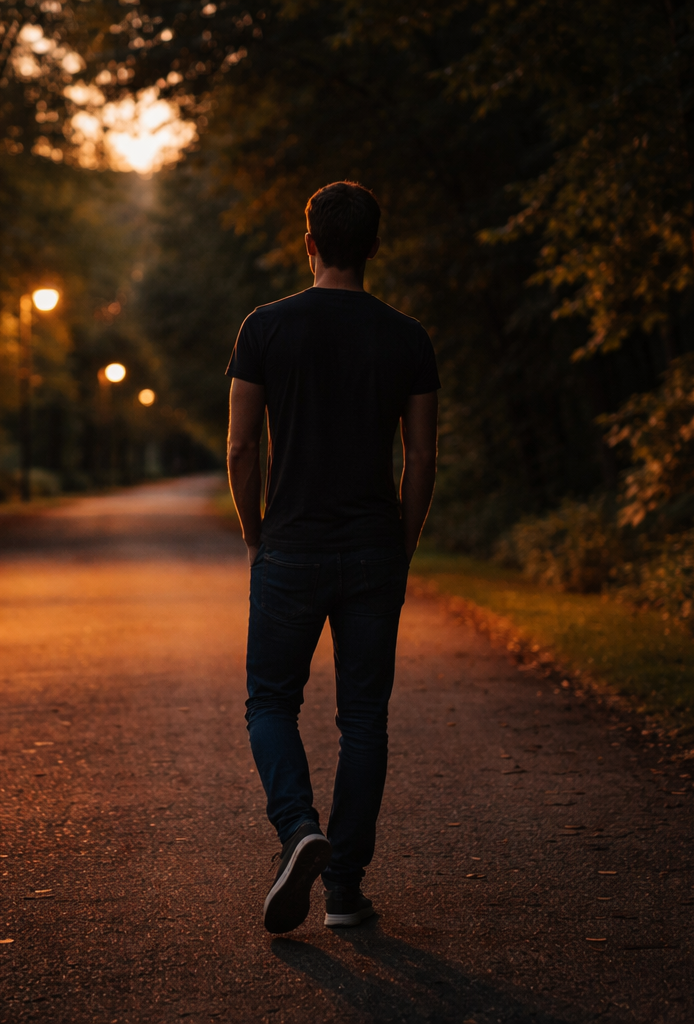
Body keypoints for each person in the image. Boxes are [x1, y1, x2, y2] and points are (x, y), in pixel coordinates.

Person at [225, 181, 439, 934]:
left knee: (270, 703)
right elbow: (421, 457)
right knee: (364, 721)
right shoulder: (408, 337)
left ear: (309, 244)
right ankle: (344, 891)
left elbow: (242, 447)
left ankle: (298, 831)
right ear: (373, 246)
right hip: (374, 549)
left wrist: (254, 534)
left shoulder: (265, 327)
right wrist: (402, 543)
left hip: (291, 548)